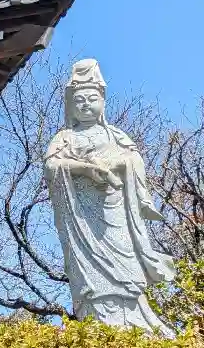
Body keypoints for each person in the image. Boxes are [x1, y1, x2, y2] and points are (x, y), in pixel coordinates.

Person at [44, 59, 175, 334]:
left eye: (92, 99)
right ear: (70, 105)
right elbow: (52, 166)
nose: (86, 105)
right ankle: (96, 320)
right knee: (89, 273)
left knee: (126, 261)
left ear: (103, 102)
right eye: (79, 100)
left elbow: (133, 159)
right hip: (81, 217)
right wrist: (83, 168)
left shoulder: (114, 135)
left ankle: (135, 318)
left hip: (116, 211)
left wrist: (116, 164)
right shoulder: (64, 138)